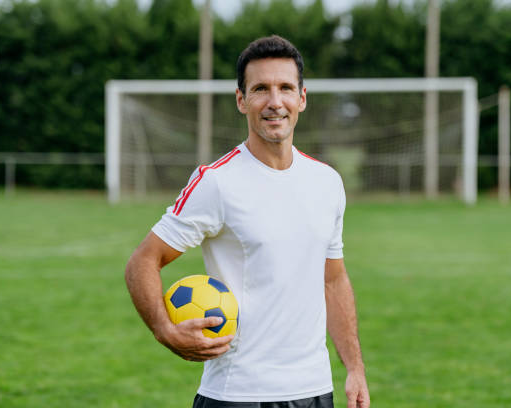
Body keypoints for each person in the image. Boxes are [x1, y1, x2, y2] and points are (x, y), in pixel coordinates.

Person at [125, 35, 370, 408]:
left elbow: (333, 279)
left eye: (286, 88)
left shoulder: (328, 183)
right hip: (238, 394)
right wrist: (165, 331)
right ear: (242, 100)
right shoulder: (216, 182)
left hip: (315, 391)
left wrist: (355, 368)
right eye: (260, 89)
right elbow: (142, 261)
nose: (275, 102)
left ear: (302, 98)